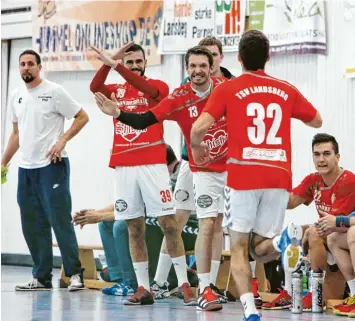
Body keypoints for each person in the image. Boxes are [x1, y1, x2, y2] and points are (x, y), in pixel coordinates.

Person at [189, 30, 322, 321]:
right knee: (261, 249)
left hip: (242, 177)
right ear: (268, 58)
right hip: (277, 177)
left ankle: (250, 311)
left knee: (237, 246)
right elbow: (316, 120)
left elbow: (198, 129)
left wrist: (197, 148)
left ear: (238, 59)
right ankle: (283, 240)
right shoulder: (285, 89)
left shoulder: (227, 89)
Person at [94, 46, 229, 311]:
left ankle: (186, 284)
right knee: (133, 227)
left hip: (157, 165)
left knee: (171, 223)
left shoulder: (157, 86)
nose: (133, 66)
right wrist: (111, 64)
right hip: (127, 165)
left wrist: (117, 65)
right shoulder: (122, 91)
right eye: (128, 61)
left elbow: (144, 95)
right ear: (187, 69)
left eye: (137, 61)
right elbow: (95, 86)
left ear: (145, 63)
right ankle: (145, 287)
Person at [153, 36, 235, 303]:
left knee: (215, 223)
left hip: (219, 166)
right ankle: (159, 282)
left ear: (219, 59)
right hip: (190, 164)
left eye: (211, 56)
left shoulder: (228, 86)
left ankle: (209, 286)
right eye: (196, 63)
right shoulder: (186, 88)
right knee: (176, 220)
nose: (203, 67)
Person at [1, 49, 89, 291]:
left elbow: (82, 117)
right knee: (32, 223)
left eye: (31, 63)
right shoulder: (16, 96)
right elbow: (16, 134)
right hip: (26, 170)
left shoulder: (54, 92)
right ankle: (41, 277)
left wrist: (63, 141)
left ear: (39, 67)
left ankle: (75, 274)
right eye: (22, 64)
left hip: (52, 167)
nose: (26, 68)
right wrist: (3, 162)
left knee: (59, 221)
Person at [265, 134, 355, 311]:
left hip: (343, 237)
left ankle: (315, 293)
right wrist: (270, 185)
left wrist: (308, 231)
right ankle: (291, 291)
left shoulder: (348, 180)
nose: (321, 159)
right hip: (330, 239)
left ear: (337, 157)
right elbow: (290, 202)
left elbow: (335, 223)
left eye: (327, 154)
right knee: (293, 232)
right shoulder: (313, 180)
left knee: (312, 231)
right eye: (317, 154)